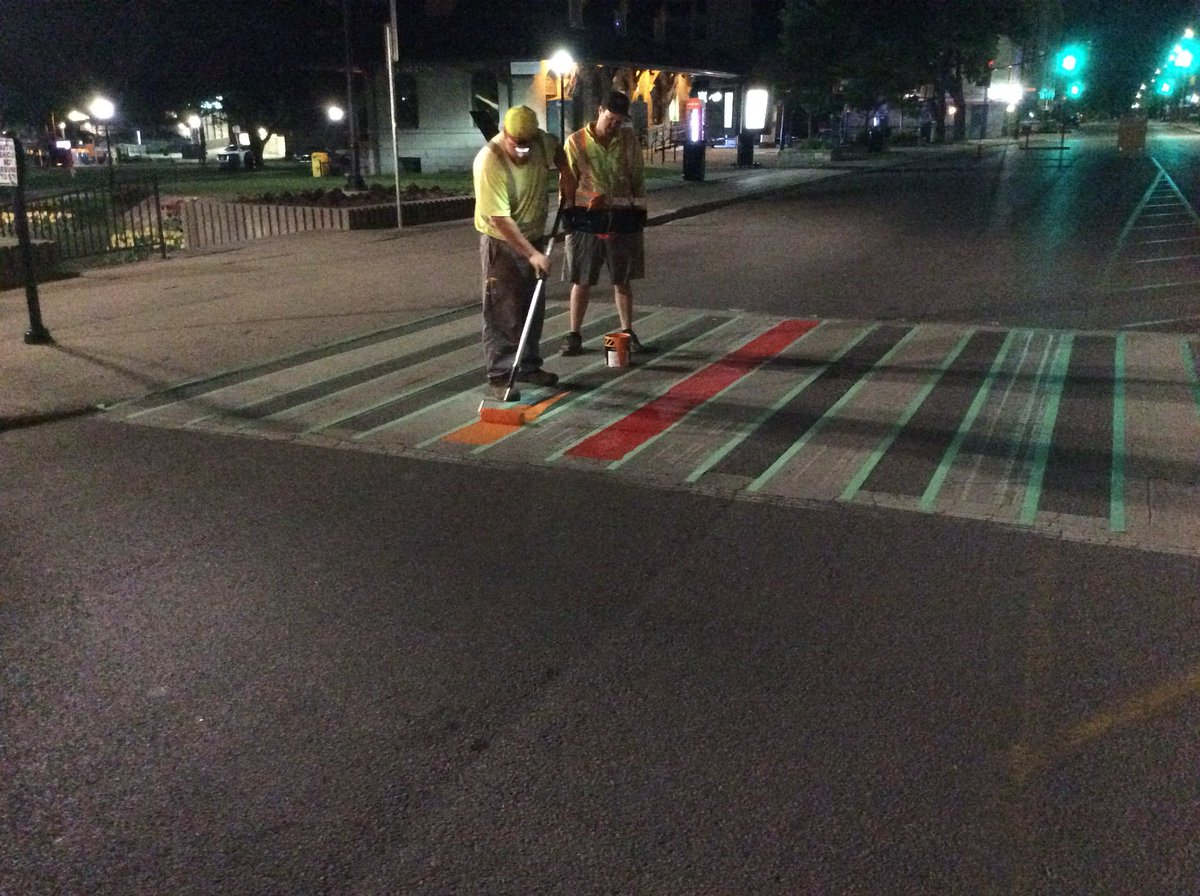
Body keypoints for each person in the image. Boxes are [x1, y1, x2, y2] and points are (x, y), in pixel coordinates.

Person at [473, 105, 576, 401]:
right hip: (500, 243)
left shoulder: (543, 142)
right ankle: (500, 374)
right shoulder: (489, 162)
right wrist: (532, 255)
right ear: (504, 134)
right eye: (516, 145)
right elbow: (500, 219)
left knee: (532, 307)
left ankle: (529, 366)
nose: (522, 151)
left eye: (527, 145)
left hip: (534, 235)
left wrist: (567, 180)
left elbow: (560, 155)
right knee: (503, 310)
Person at [560, 90, 651, 357]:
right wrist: (584, 201)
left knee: (622, 280)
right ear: (600, 110)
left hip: (622, 220)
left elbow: (638, 179)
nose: (615, 124)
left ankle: (627, 332)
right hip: (586, 221)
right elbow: (566, 187)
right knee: (581, 280)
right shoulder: (575, 142)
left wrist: (640, 213)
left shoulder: (628, 142)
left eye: (620, 120)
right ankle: (574, 334)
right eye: (611, 118)